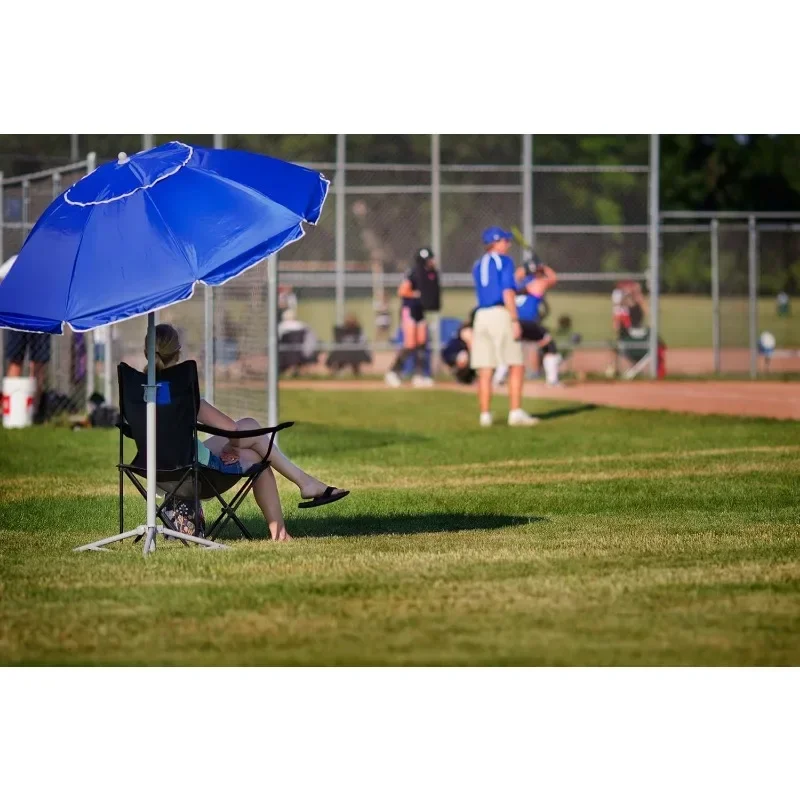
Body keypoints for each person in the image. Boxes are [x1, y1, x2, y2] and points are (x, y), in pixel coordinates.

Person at [146, 324, 348, 542]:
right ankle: (296, 502)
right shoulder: (183, 393)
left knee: (257, 456)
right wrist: (232, 445)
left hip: (155, 470)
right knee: (250, 431)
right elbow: (233, 430)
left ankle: (292, 512)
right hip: (193, 474)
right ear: (178, 352)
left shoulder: (137, 390)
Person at [470, 227, 538, 427]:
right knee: (515, 364)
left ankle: (485, 415)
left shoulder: (478, 264)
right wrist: (515, 320)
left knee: (485, 369)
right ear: (496, 242)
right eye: (505, 241)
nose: (508, 244)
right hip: (499, 315)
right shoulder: (505, 261)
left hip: (480, 316)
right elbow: (508, 292)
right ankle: (515, 412)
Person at [385, 246, 440, 389]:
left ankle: (419, 375)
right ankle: (393, 372)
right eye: (429, 259)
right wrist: (418, 295)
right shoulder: (414, 273)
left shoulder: (430, 274)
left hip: (420, 311)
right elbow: (402, 291)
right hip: (409, 310)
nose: (432, 261)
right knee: (410, 344)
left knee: (421, 343)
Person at [514, 256, 561, 387]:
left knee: (510, 349)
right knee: (549, 344)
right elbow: (553, 279)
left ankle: (498, 378)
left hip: (513, 322)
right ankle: (552, 380)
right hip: (528, 323)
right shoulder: (537, 284)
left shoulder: (515, 283)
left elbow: (517, 274)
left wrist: (525, 267)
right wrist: (543, 266)